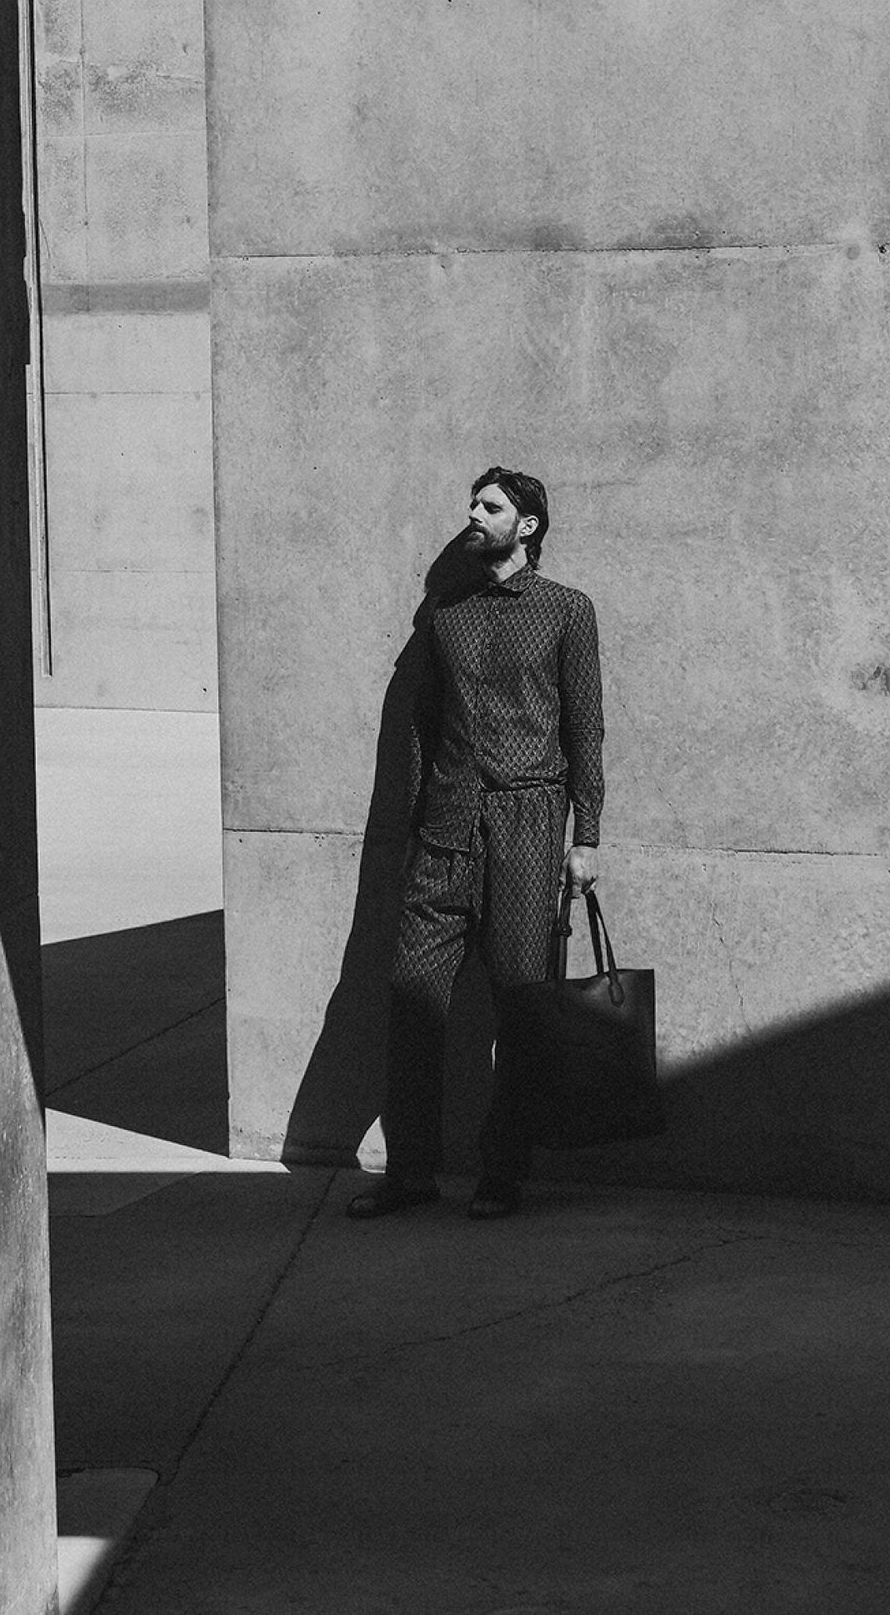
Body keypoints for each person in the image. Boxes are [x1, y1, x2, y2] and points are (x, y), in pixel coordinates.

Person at [347, 464, 604, 1223]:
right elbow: (421, 729)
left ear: (527, 525)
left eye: (490, 506)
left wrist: (584, 834)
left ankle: (502, 1172)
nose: (474, 512)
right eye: (473, 502)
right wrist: (419, 823)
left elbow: (585, 727)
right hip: (445, 832)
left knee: (520, 1006)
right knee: (412, 996)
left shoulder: (567, 611)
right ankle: (411, 1173)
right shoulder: (447, 617)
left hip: (528, 822)